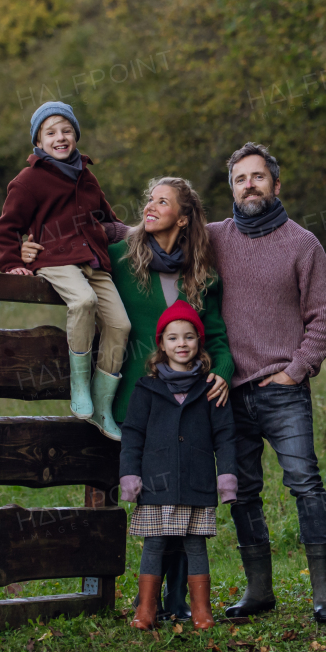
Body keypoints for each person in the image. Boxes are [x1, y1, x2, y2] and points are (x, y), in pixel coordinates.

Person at [23, 142, 326, 623]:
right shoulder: (215, 238)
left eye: (258, 177)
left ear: (277, 185)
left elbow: (322, 321)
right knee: (242, 491)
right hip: (220, 394)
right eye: (240, 179)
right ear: (231, 188)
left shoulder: (300, 245)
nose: (249, 185)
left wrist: (294, 371)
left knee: (304, 482)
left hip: (274, 388)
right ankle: (258, 591)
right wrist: (27, 245)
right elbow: (125, 228)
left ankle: (325, 594)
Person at [107, 177, 234, 621]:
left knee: (187, 500)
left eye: (163, 201)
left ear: (182, 217)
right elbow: (76, 263)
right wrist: (26, 253)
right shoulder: (121, 259)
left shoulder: (203, 275)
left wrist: (222, 372)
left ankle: (180, 603)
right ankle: (140, 601)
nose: (151, 206)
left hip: (192, 400)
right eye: (149, 199)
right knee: (155, 503)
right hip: (139, 399)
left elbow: (216, 337)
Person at [0, 101, 130, 439]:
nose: (60, 137)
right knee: (83, 302)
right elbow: (7, 226)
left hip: (93, 261)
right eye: (50, 132)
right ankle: (79, 387)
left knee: (121, 325)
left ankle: (102, 405)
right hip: (55, 260)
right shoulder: (29, 180)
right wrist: (12, 261)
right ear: (38, 142)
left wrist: (143, 237)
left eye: (66, 130)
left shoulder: (87, 176)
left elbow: (109, 221)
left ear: (76, 135)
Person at [119, 300, 237, 631]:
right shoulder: (146, 388)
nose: (181, 344)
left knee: (195, 544)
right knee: (154, 544)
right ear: (161, 344)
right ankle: (146, 609)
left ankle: (201, 609)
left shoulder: (211, 388)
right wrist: (129, 474)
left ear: (199, 342)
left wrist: (226, 476)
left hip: (197, 482)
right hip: (157, 483)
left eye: (188, 337)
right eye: (173, 338)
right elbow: (132, 434)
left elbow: (225, 435)